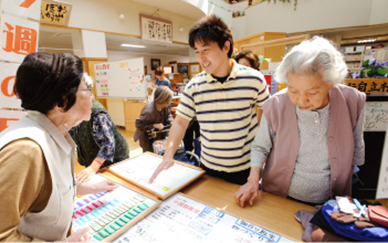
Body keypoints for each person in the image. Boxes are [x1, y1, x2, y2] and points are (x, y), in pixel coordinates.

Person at [0, 52, 118, 242]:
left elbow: (46, 188)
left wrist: (90, 187)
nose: (92, 97)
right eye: (87, 90)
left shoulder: (51, 134)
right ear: (61, 102)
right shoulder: (25, 150)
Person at [234, 36, 366, 208]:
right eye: (293, 90)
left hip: (330, 200)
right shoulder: (276, 105)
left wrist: (346, 188)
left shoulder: (352, 101)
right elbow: (260, 146)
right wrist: (252, 180)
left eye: (312, 93)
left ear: (330, 83)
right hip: (281, 197)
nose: (301, 100)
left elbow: (356, 148)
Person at [149, 15, 270, 185]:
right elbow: (180, 123)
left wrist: (259, 157)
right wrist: (169, 154)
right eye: (197, 51)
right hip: (208, 167)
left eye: (206, 49)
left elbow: (268, 115)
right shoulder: (194, 86)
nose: (201, 58)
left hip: (244, 169)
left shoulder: (254, 79)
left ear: (226, 46)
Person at [70, 74, 129, 183]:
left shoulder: (97, 113)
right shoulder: (75, 109)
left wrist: (93, 168)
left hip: (115, 158)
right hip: (93, 156)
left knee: (114, 184)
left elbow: (108, 145)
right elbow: (72, 134)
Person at [134, 86, 174, 153]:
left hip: (158, 136)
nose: (170, 102)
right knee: (150, 156)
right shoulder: (148, 111)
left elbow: (168, 114)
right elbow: (138, 124)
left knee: (160, 154)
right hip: (147, 138)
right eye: (169, 100)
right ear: (163, 101)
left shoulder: (164, 106)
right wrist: (154, 125)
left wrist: (171, 121)